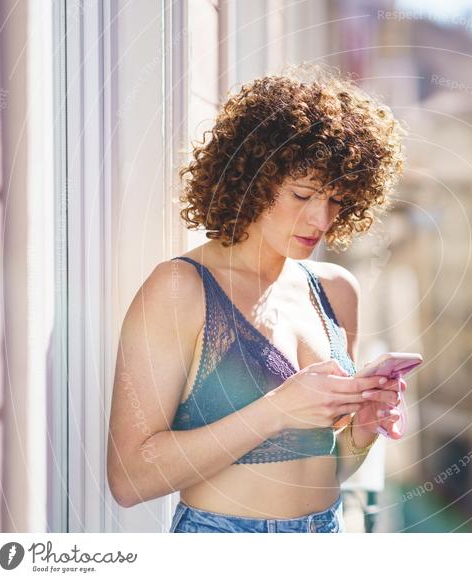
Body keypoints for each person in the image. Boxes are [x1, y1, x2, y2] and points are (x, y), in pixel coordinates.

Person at [106, 63, 408, 533]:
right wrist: (278, 409)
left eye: (337, 200)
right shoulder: (179, 290)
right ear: (250, 179)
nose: (321, 219)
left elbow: (332, 466)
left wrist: (362, 430)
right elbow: (128, 479)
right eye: (303, 194)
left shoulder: (335, 290)